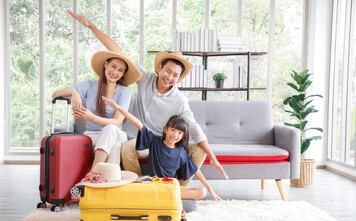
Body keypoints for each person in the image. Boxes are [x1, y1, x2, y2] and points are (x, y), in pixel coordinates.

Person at [67, 10, 228, 185]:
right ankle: (139, 187)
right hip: (138, 139)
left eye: (175, 75)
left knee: (199, 151)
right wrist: (90, 25)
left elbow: (195, 128)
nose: (170, 77)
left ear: (179, 78)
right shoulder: (145, 79)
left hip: (163, 142)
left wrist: (213, 157)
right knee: (128, 148)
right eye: (168, 71)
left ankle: (177, 191)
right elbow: (119, 51)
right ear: (160, 68)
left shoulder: (179, 100)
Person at [102, 96, 221, 201]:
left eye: (179, 133)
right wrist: (118, 108)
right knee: (131, 187)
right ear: (165, 129)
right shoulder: (155, 142)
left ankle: (165, 195)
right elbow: (138, 123)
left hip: (171, 187)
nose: (175, 135)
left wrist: (211, 190)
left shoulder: (181, 152)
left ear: (183, 136)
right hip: (153, 184)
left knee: (202, 192)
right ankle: (163, 195)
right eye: (173, 130)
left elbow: (196, 171)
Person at [52, 48, 142, 171]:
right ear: (106, 64)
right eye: (113, 66)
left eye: (120, 70)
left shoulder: (124, 91)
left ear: (122, 74)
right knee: (115, 146)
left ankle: (93, 171)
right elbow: (55, 93)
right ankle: (108, 182)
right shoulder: (89, 85)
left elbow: (117, 122)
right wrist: (74, 93)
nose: (115, 72)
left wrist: (92, 117)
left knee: (110, 128)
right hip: (92, 135)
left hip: (116, 134)